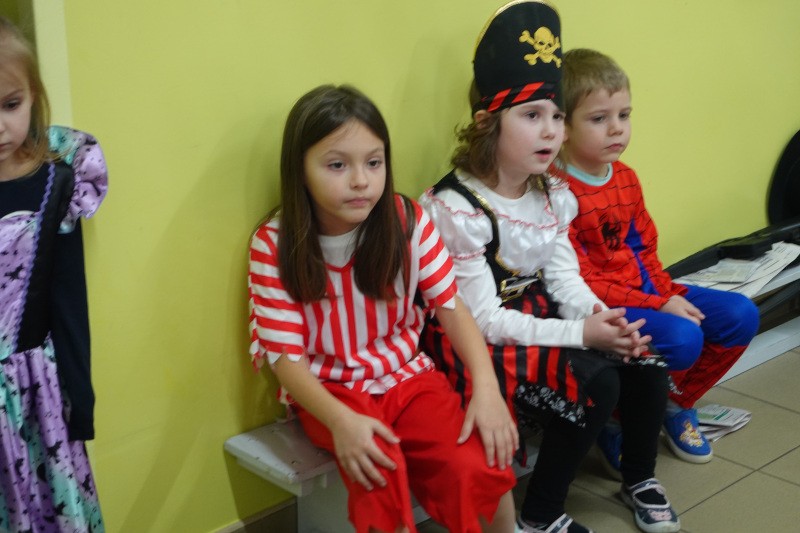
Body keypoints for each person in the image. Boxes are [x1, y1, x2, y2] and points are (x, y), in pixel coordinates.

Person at [419, 2, 681, 533]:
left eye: (557, 117)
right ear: (487, 123)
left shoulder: (553, 194)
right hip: (476, 339)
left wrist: (602, 319)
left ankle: (639, 477)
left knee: (645, 363)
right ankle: (541, 513)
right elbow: (484, 320)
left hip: (533, 315)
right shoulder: (457, 209)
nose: (551, 133)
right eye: (532, 116)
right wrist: (581, 335)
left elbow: (563, 278)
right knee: (597, 383)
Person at [248, 84, 518, 533]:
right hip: (329, 390)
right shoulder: (274, 245)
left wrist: (486, 389)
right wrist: (340, 421)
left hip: (408, 377)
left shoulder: (406, 220)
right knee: (378, 472)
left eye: (374, 162)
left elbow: (452, 308)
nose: (361, 180)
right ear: (300, 170)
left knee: (477, 460)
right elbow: (286, 361)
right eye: (337, 165)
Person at [559, 48, 760, 468]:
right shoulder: (556, 191)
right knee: (684, 338)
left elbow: (643, 249)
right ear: (562, 127)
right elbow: (581, 280)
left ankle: (674, 404)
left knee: (740, 314)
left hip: (646, 292)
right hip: (599, 306)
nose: (617, 128)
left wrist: (666, 295)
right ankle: (616, 422)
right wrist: (659, 304)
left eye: (624, 115)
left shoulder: (625, 177)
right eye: (598, 119)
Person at [0, 16, 106, 533]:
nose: (0, 126)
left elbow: (68, 299)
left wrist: (79, 400)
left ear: (33, 96)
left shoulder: (56, 182)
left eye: (10, 104)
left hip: (34, 400)